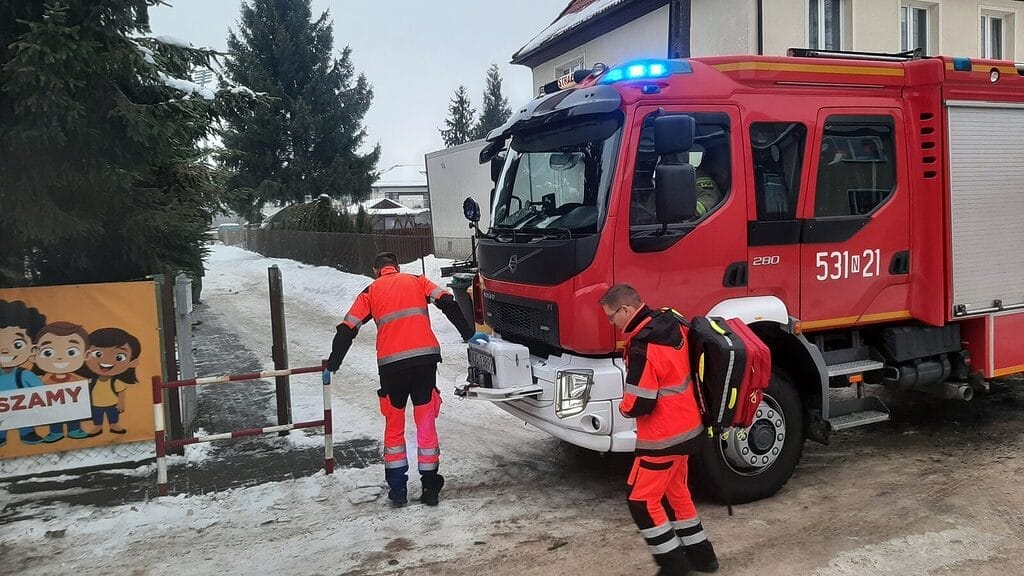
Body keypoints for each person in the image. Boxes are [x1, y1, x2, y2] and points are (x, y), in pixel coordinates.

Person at [324, 252, 484, 507]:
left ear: (376, 271)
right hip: (424, 361)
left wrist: (333, 364)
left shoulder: (371, 291)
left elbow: (347, 329)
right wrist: (468, 334)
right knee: (425, 423)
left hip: (391, 367)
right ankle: (430, 488)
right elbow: (448, 301)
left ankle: (398, 489)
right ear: (396, 268)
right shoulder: (417, 281)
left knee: (394, 425)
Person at [599, 285, 719, 576]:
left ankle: (674, 566)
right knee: (677, 492)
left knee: (641, 500)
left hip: (662, 438)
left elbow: (639, 402)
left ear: (626, 310)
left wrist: (623, 409)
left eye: (611, 316)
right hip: (688, 428)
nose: (611, 322)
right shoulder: (672, 322)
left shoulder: (643, 344)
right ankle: (703, 558)